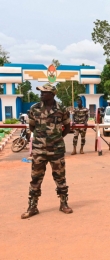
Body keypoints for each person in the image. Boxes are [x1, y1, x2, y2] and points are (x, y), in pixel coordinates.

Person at [21, 83, 73, 219]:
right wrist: (42, 140)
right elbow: (32, 127)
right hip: (39, 150)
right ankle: (32, 206)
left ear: (52, 94)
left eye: (44, 92)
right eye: (41, 92)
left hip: (57, 150)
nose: (41, 94)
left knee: (60, 178)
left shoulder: (62, 108)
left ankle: (64, 203)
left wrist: (56, 139)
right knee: (35, 179)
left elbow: (67, 127)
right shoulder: (34, 108)